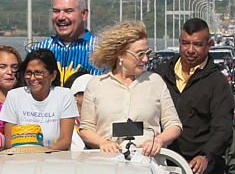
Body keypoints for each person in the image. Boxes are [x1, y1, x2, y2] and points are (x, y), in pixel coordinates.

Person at [78, 20, 182, 158]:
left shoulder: (155, 81)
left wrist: (158, 141)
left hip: (148, 163)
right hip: (106, 163)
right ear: (120, 54)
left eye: (147, 53)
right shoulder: (96, 85)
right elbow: (86, 129)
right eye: (140, 54)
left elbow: (174, 125)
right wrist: (102, 142)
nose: (145, 59)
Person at [155, 18, 235, 174]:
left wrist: (206, 156)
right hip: (161, 163)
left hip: (200, 170)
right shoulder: (161, 74)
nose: (190, 50)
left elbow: (222, 127)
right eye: (185, 43)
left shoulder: (217, 82)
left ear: (209, 45)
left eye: (197, 44)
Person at [0, 49, 78, 151]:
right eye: (29, 73)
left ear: (53, 75)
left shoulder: (64, 95)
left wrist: (43, 153)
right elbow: (9, 142)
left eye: (38, 73)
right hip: (21, 159)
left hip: (54, 159)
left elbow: (65, 141)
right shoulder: (13, 96)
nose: (32, 78)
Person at [38, 0, 98, 77]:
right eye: (56, 11)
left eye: (68, 11)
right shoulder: (39, 50)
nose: (61, 17)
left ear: (84, 14)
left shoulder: (101, 51)